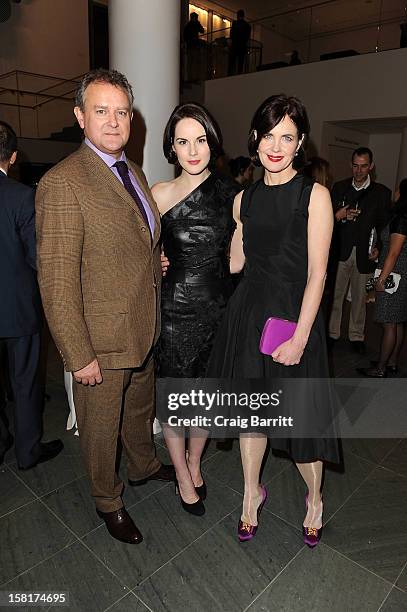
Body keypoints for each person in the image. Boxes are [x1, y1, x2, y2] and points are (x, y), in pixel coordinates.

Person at [35, 69, 174, 546]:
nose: (114, 122)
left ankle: (143, 465)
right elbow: (55, 280)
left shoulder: (132, 170)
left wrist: (154, 259)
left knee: (139, 408)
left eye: (122, 112)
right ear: (79, 116)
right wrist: (78, 356)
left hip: (143, 326)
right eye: (101, 111)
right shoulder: (63, 183)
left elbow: (132, 241)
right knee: (100, 426)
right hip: (100, 340)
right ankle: (108, 499)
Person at [208, 94, 340, 546]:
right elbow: (237, 264)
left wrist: (301, 337)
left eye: (287, 136)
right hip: (250, 315)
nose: (276, 145)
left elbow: (319, 273)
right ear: (255, 140)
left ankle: (315, 498)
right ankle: (250, 495)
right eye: (268, 135)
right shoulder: (244, 198)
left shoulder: (315, 196)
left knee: (300, 423)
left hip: (294, 317)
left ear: (301, 141)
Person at [152, 102, 241, 516]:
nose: (193, 150)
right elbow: (142, 253)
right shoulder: (158, 193)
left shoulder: (231, 193)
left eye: (200, 140)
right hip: (174, 310)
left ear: (212, 142)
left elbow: (238, 260)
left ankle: (193, 460)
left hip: (217, 309)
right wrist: (157, 260)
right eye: (183, 141)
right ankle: (182, 474)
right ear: (171, 146)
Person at [0, 121, 63, 469]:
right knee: (25, 383)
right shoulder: (23, 196)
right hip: (19, 309)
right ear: (12, 156)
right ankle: (27, 452)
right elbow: (36, 259)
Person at [328, 147, 391, 353]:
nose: (359, 170)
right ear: (351, 165)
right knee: (335, 295)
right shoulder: (339, 188)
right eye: (355, 166)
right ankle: (332, 333)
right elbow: (327, 221)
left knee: (359, 299)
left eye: (364, 166)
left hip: (365, 252)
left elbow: (385, 226)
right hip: (340, 250)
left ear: (371, 166)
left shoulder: (381, 193)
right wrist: (340, 216)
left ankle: (356, 336)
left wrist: (379, 247)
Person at [358, 179, 407, 377]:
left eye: (397, 190)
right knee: (397, 321)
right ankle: (391, 362)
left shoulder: (402, 218)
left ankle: (380, 368)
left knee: (388, 322)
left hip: (393, 275)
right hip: (401, 273)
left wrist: (380, 280)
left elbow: (394, 253)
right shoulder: (402, 217)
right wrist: (379, 250)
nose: (394, 192)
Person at [228, 9, 251, 75]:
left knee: (232, 62)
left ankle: (230, 74)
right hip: (242, 46)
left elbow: (232, 34)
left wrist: (232, 42)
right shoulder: (247, 25)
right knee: (240, 63)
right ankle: (239, 75)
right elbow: (247, 37)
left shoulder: (235, 23)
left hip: (235, 46)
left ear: (238, 15)